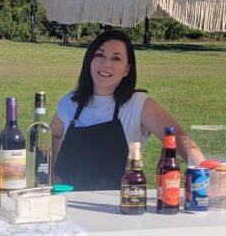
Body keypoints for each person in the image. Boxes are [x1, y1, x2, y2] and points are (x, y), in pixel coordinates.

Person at [51, 29, 204, 190]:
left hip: (121, 206)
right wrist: (53, 179)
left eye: (116, 58)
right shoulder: (70, 101)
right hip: (72, 205)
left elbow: (180, 139)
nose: (106, 64)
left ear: (127, 69)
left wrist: (207, 175)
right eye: (100, 55)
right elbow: (54, 134)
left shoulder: (138, 104)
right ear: (89, 60)